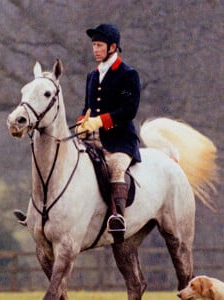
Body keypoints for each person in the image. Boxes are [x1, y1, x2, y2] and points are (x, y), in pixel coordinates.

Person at [76, 23, 141, 238]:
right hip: (93, 139)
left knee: (115, 167)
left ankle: (117, 216)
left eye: (99, 45)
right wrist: (82, 123)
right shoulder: (92, 75)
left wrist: (100, 122)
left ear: (112, 47)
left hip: (120, 140)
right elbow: (87, 108)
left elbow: (128, 110)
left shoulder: (128, 74)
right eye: (94, 45)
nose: (95, 49)